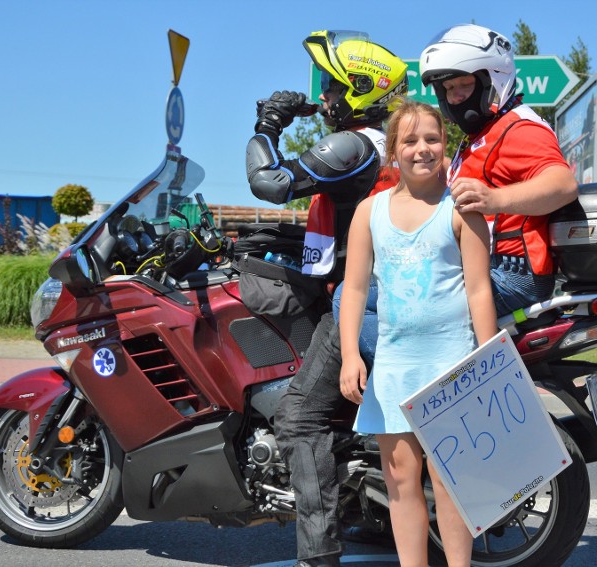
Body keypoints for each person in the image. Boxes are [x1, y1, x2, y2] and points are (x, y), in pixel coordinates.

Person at [246, 30, 408, 567]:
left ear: (361, 92)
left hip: (362, 299)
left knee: (298, 418)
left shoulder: (353, 145)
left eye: (336, 86)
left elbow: (269, 183)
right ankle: (370, 516)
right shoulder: (383, 144)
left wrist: (267, 125)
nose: (327, 97)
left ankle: (319, 557)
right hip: (377, 289)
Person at [338, 99, 497, 567]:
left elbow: (479, 290)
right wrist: (352, 354)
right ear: (392, 152)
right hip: (394, 370)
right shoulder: (370, 212)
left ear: (446, 147)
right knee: (401, 482)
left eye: (432, 139)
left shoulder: (462, 210)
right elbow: (353, 289)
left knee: (451, 484)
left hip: (452, 367)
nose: (422, 149)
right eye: (409, 141)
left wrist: (488, 359)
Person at [419, 24, 579, 316]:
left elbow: (563, 183)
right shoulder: (482, 135)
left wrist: (494, 200)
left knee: (360, 299)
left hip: (512, 275)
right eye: (447, 89)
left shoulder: (519, 127)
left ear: (492, 79)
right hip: (485, 268)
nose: (454, 97)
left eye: (463, 85)